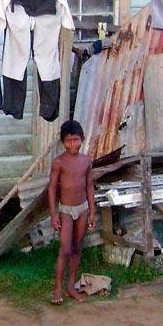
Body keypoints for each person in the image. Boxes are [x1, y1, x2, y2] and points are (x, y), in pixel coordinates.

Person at [47, 119, 96, 304]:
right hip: (66, 210)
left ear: (82, 139)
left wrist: (92, 211)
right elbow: (52, 188)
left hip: (82, 208)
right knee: (65, 248)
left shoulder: (86, 161)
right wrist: (53, 214)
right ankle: (58, 289)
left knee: (77, 247)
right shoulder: (59, 163)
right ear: (63, 142)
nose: (72, 144)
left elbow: (89, 186)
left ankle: (71, 286)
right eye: (68, 141)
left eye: (76, 140)